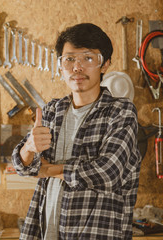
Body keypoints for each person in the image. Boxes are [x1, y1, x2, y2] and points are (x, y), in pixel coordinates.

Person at [12, 23, 141, 240]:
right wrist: (29, 148)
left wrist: (47, 170)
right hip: (44, 232)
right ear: (61, 66)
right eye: (69, 59)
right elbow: (23, 166)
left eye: (88, 58)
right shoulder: (52, 110)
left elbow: (107, 173)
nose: (77, 67)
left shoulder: (121, 112)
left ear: (105, 64)